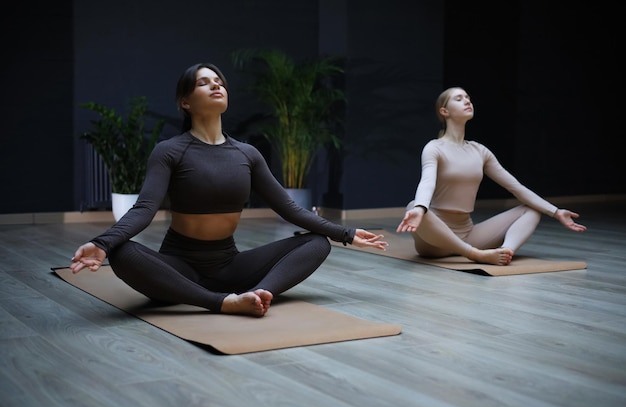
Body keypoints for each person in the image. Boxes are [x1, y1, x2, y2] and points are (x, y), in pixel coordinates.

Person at [70, 63, 388, 317]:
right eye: (204, 82)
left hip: (230, 266)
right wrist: (102, 242)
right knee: (123, 252)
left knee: (317, 244)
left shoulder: (247, 154)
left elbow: (290, 209)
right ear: (185, 101)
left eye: (220, 81)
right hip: (178, 269)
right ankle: (219, 302)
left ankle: (257, 295)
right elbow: (144, 210)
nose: (216, 85)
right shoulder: (170, 151)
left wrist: (345, 233)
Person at [396, 87, 586, 266]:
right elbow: (427, 181)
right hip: (434, 242)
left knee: (531, 210)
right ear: (444, 111)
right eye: (459, 98)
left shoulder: (480, 151)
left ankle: (505, 252)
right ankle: (475, 255)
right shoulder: (434, 148)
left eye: (468, 98)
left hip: (467, 233)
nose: (467, 101)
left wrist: (555, 212)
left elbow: (516, 187)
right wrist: (420, 209)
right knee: (413, 205)